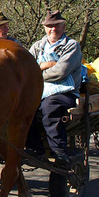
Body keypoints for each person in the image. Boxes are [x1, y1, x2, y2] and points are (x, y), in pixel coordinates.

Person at [26, 10, 84, 166]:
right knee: (25, 107)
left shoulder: (71, 46)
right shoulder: (38, 46)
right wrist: (47, 65)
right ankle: (34, 148)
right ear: (45, 28)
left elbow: (61, 72)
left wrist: (39, 70)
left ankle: (59, 151)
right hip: (41, 90)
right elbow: (28, 68)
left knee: (49, 106)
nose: (53, 29)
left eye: (57, 25)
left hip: (65, 91)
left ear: (63, 26)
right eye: (50, 26)